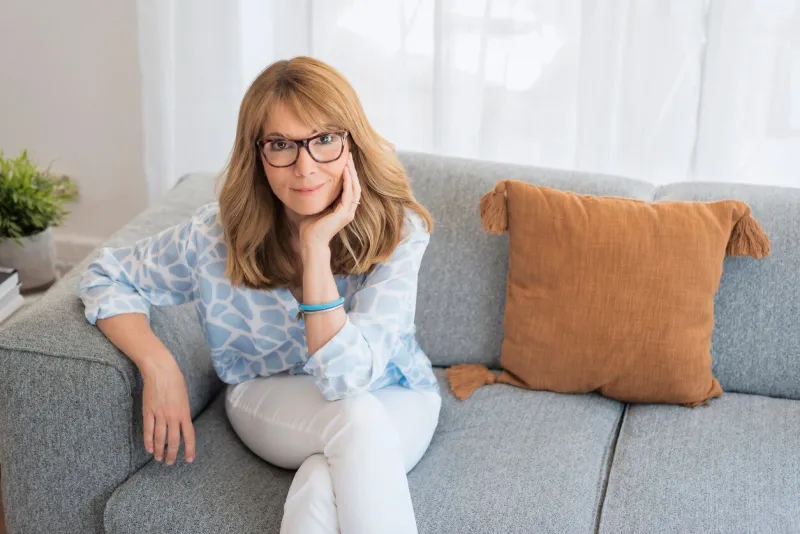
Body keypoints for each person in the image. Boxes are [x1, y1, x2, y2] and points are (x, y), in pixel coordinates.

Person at [77, 56, 441, 534]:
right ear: (258, 153)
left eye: (324, 140)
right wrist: (157, 364)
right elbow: (105, 275)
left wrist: (315, 247)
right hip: (267, 393)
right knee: (356, 422)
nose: (305, 166)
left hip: (396, 392)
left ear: (351, 142)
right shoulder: (213, 236)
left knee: (320, 482)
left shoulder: (399, 229)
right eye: (282, 145)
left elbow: (348, 378)